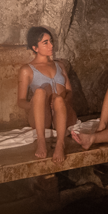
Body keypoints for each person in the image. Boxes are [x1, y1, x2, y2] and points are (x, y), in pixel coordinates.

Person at [16, 26, 77, 163]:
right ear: (35, 48)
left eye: (51, 41)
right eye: (46, 42)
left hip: (63, 114)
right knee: (39, 92)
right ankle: (41, 141)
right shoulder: (27, 70)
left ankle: (60, 144)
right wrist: (32, 104)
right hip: (42, 117)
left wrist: (61, 98)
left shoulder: (59, 65)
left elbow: (70, 92)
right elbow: (20, 101)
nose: (51, 45)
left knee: (59, 100)